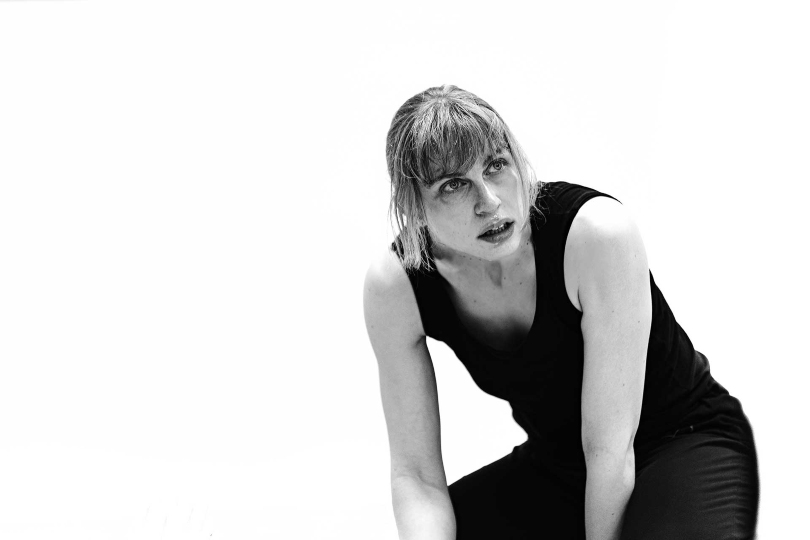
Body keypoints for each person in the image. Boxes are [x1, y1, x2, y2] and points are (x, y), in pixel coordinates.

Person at [362, 85, 759, 540]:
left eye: (496, 165)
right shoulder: (396, 286)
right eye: (453, 184)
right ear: (412, 204)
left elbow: (610, 449)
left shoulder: (596, 235)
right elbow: (416, 478)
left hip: (680, 444)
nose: (489, 201)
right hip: (560, 467)